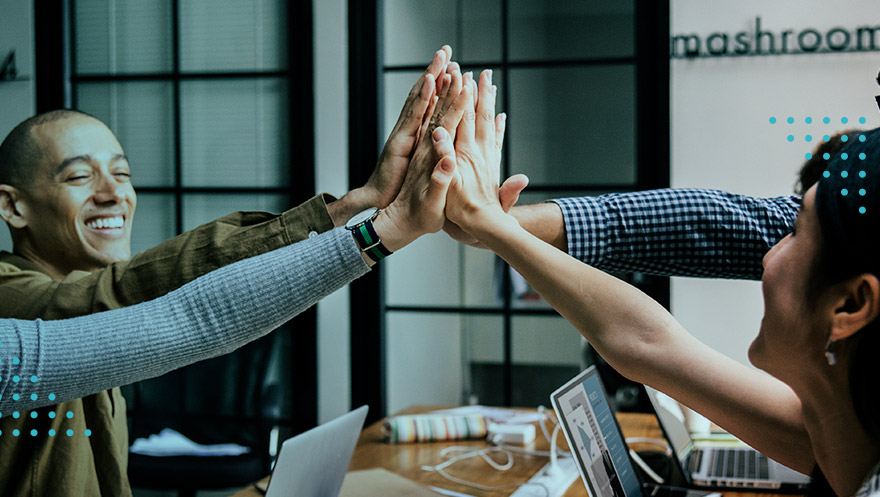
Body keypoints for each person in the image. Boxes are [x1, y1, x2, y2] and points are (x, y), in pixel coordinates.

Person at [0, 47, 481, 496]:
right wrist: (365, 211)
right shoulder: (12, 304)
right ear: (12, 206)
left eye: (122, 174)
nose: (113, 194)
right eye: (80, 176)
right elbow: (138, 298)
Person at [438, 68, 880, 497]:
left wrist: (493, 224)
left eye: (796, 232)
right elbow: (648, 343)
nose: (767, 254)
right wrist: (498, 227)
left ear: (850, 306)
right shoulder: (841, 438)